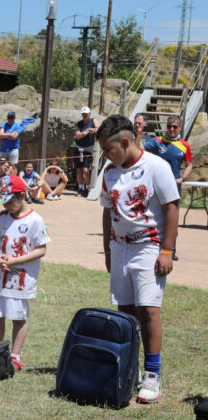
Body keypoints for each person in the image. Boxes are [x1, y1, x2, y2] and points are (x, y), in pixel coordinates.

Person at [97, 114, 179, 404]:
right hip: (120, 248)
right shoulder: (110, 172)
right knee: (126, 311)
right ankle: (130, 368)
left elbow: (171, 208)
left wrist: (167, 251)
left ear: (125, 141)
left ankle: (152, 375)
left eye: (108, 149)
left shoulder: (157, 166)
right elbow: (108, 210)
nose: (106, 156)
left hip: (148, 246)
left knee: (149, 310)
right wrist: (108, 250)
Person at [0, 174, 50, 372]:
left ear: (22, 195)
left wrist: (15, 261)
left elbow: (41, 249)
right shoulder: (2, 217)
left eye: (9, 201)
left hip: (19, 278)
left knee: (17, 317)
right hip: (0, 276)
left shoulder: (35, 220)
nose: (6, 206)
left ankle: (15, 356)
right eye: (3, 202)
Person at [142, 115, 192, 261]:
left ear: (180, 128)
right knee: (152, 213)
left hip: (174, 183)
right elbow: (140, 150)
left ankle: (171, 249)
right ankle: (151, 244)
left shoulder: (184, 145)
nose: (171, 129)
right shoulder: (157, 141)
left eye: (175, 127)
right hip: (155, 183)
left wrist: (183, 178)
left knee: (171, 216)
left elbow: (189, 165)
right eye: (169, 126)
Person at [74, 106, 99, 197]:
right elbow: (78, 136)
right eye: (83, 114)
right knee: (79, 169)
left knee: (86, 170)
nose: (84, 115)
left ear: (89, 114)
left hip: (88, 149)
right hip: (78, 148)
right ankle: (80, 188)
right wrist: (88, 130)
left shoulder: (93, 120)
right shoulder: (78, 123)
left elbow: (98, 128)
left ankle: (87, 188)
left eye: (86, 114)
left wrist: (94, 130)